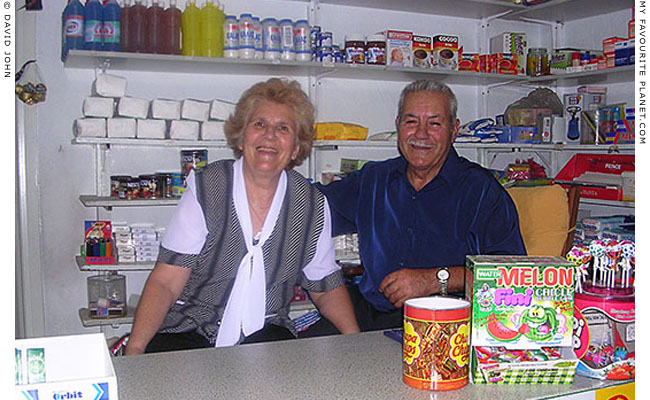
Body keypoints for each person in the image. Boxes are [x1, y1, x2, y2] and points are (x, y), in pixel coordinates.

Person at [124, 78, 360, 355]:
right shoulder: (207, 187)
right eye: (259, 124)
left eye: (283, 128)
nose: (269, 135)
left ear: (296, 148)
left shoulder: (311, 204)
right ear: (241, 137)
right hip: (191, 328)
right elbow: (166, 282)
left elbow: (326, 286)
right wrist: (135, 349)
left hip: (267, 331)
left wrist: (354, 343)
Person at [304, 79, 526, 335]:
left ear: (454, 130)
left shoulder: (482, 192)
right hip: (373, 315)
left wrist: (433, 280)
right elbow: (308, 206)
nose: (421, 134)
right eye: (411, 122)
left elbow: (513, 275)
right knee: (305, 353)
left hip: (449, 326)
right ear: (397, 125)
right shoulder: (374, 179)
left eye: (434, 123)